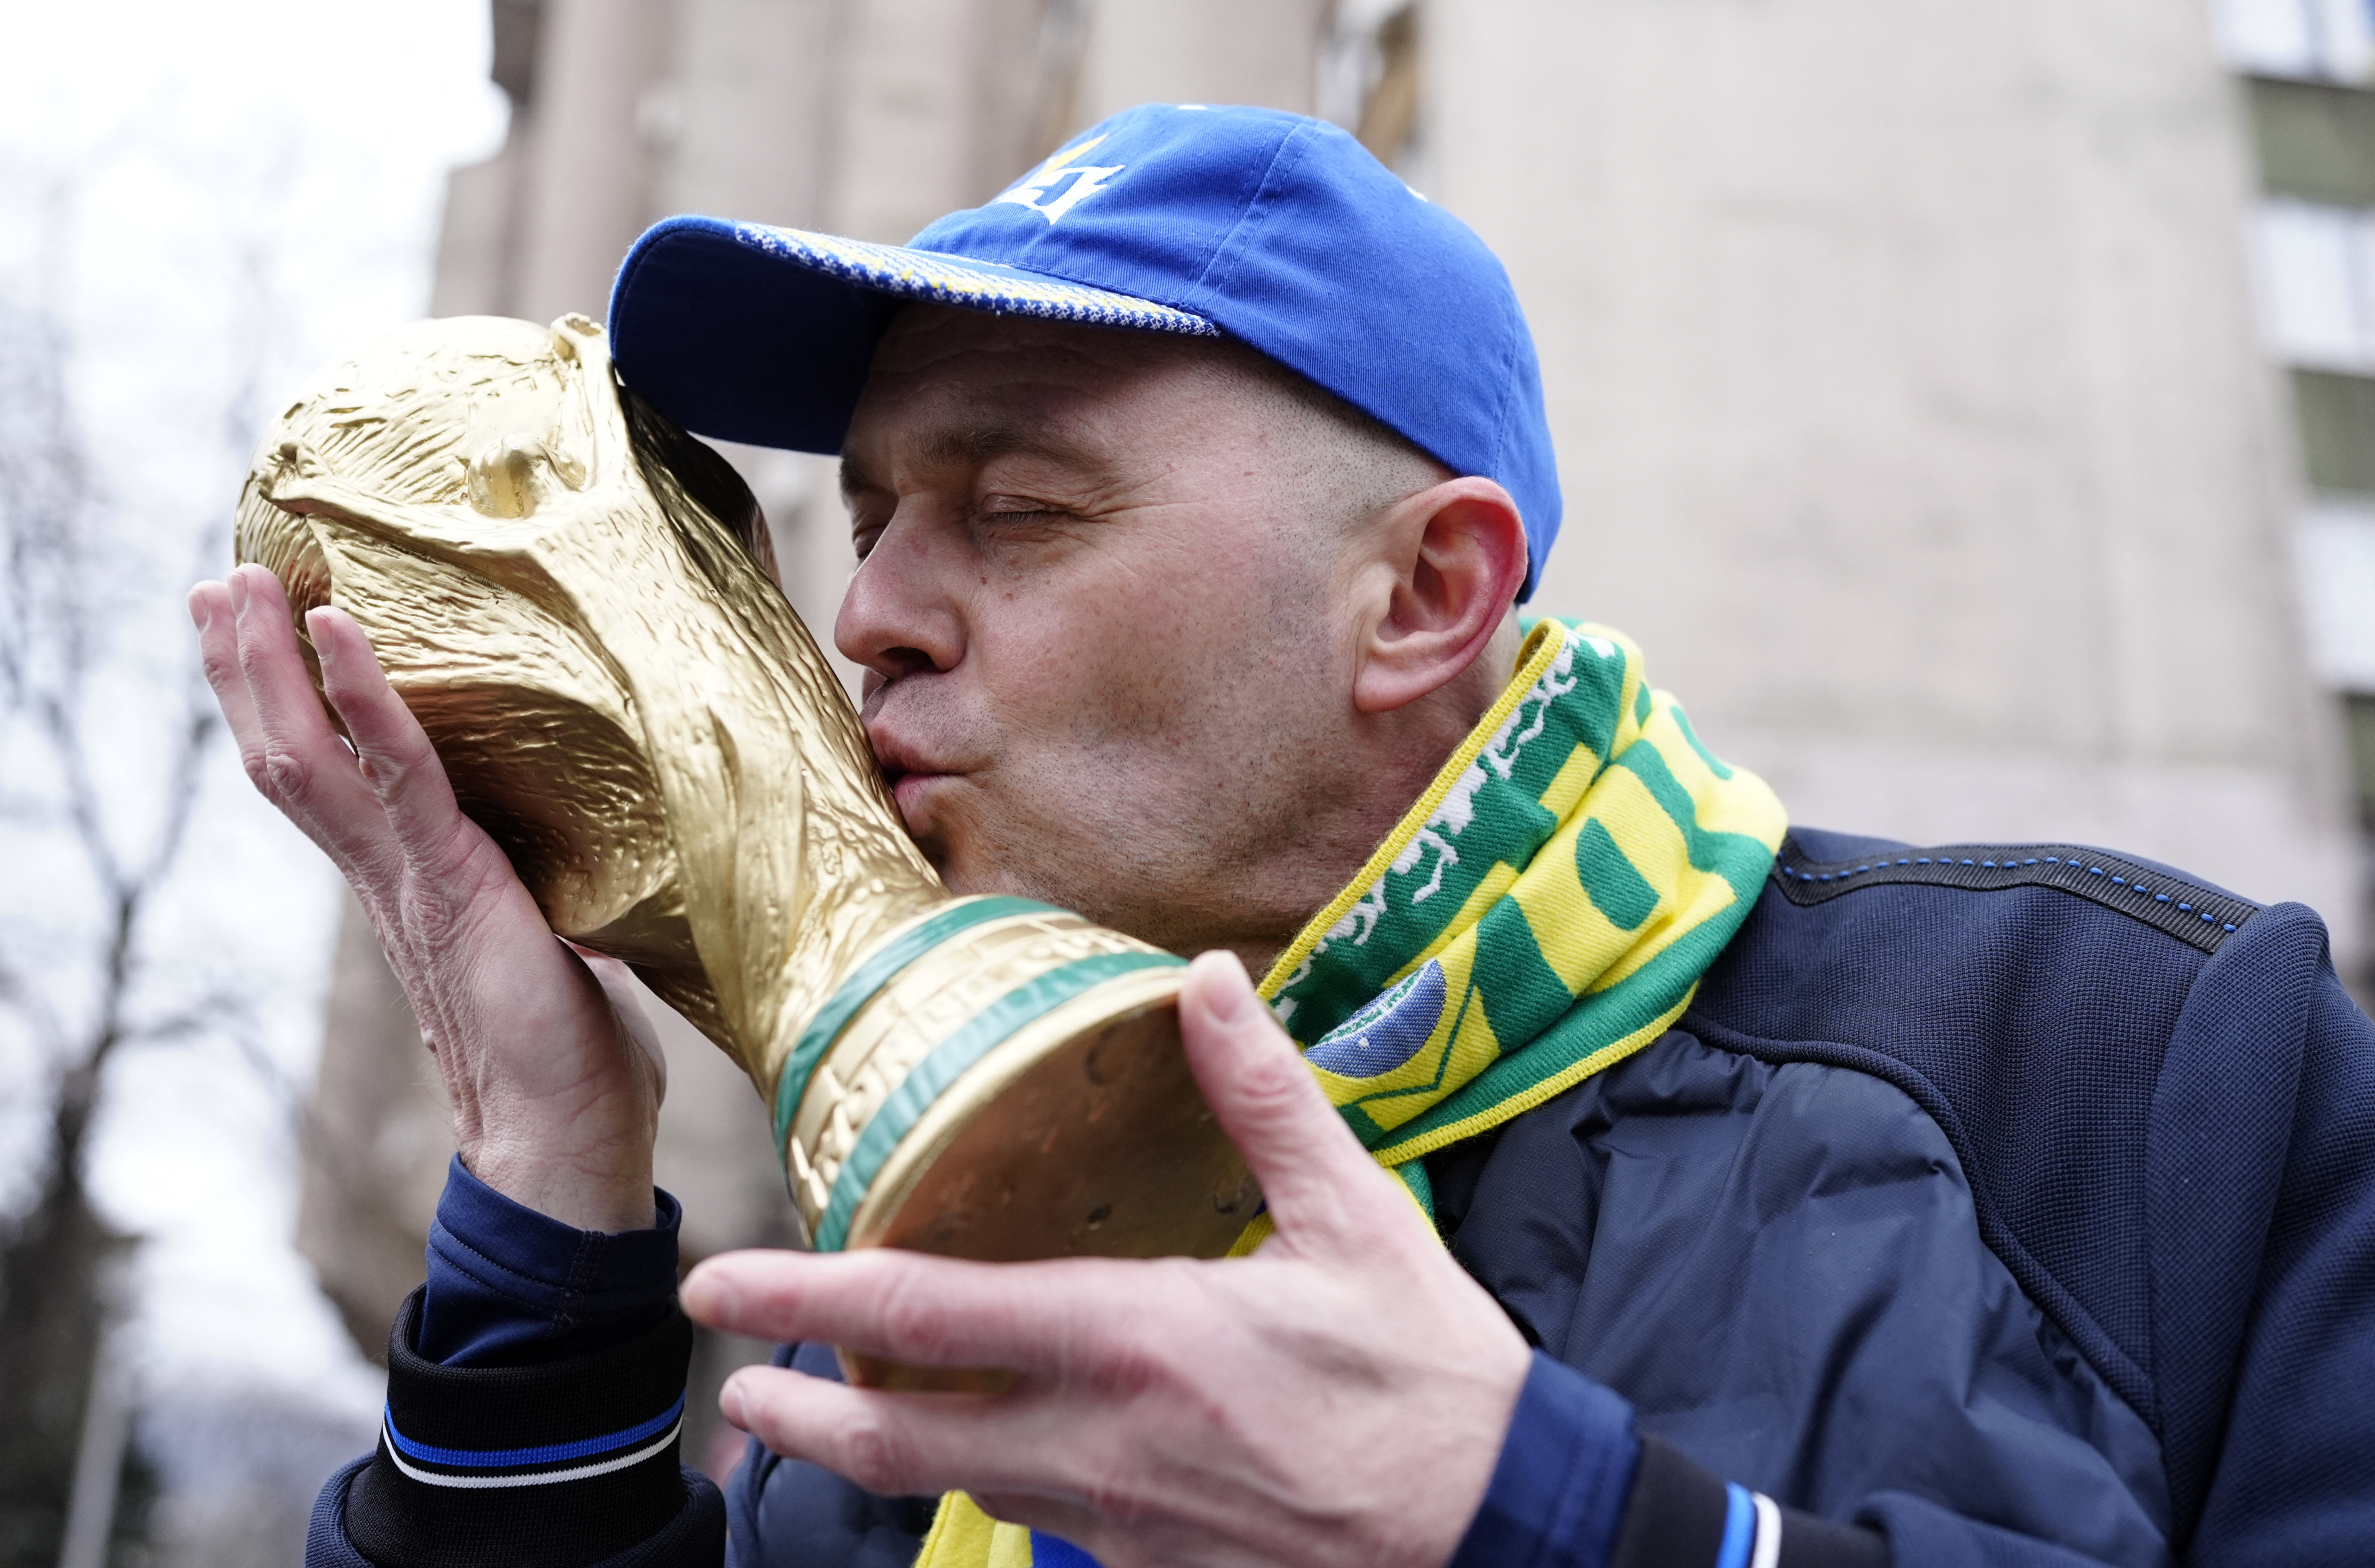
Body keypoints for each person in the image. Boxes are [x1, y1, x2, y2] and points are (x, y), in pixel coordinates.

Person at [190, 105, 2375, 1568]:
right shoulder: (933, 1270)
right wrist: (550, 1188)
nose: (867, 617)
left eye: (1013, 508)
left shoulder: (2137, 1070)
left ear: (1421, 594)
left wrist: (1536, 1521)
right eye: (867, 521)